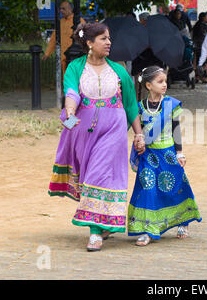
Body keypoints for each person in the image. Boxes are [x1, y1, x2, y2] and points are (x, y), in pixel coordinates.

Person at [47, 22, 146, 252]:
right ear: (90, 43)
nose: (109, 42)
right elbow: (71, 92)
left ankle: (94, 233)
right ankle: (107, 224)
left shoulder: (119, 70)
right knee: (91, 177)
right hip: (83, 131)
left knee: (97, 175)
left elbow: (131, 105)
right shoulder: (75, 67)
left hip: (114, 130)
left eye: (109, 38)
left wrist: (139, 134)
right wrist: (70, 111)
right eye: (103, 38)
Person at [128, 66, 202, 246]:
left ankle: (183, 221)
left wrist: (180, 153)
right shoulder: (139, 107)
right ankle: (149, 229)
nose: (164, 85)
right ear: (148, 85)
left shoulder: (170, 104)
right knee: (148, 188)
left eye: (165, 81)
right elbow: (138, 131)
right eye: (159, 81)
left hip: (168, 154)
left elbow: (176, 131)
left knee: (175, 187)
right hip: (149, 155)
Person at [42, 1, 86, 74]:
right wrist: (47, 54)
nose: (61, 11)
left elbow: (85, 38)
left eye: (63, 9)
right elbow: (53, 39)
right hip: (63, 57)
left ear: (70, 9)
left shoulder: (79, 21)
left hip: (76, 56)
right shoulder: (60, 22)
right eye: (60, 9)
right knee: (66, 79)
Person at [132, 12, 165, 100]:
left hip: (150, 61)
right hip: (142, 61)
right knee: (142, 85)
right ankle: (142, 104)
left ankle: (148, 104)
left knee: (146, 85)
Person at [192, 12, 207, 83]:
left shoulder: (196, 25)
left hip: (197, 46)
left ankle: (197, 76)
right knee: (205, 62)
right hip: (203, 46)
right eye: (206, 17)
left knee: (198, 61)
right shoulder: (205, 26)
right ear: (203, 18)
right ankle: (203, 76)